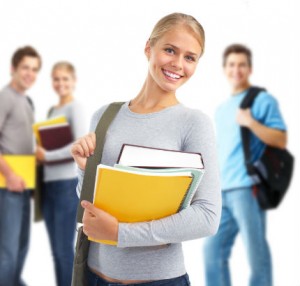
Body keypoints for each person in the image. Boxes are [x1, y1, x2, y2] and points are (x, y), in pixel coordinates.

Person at [71, 12, 221, 286]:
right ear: (148, 48)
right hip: (93, 276)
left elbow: (207, 217)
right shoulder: (105, 116)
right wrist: (84, 170)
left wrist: (121, 233)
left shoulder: (193, 124)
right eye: (170, 50)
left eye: (190, 57)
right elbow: (90, 204)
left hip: (159, 281)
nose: (177, 64)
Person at [203, 44, 287, 286]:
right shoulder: (221, 109)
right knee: (212, 252)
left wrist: (251, 123)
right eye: (231, 64)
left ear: (249, 68)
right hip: (222, 191)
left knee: (256, 255)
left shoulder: (261, 100)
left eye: (241, 64)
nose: (236, 69)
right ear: (224, 69)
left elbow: (280, 139)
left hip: (246, 189)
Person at [35, 62, 87, 286]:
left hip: (66, 185)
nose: (61, 83)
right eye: (56, 79)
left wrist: (46, 156)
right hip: (49, 185)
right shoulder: (53, 111)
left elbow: (77, 146)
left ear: (73, 81)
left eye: (65, 79)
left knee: (64, 249)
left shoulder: (75, 108)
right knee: (56, 251)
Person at [0, 46, 42, 286]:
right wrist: (11, 175)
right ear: (13, 69)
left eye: (34, 69)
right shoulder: (5, 97)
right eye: (25, 67)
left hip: (24, 184)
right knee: (7, 251)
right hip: (7, 185)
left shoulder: (26, 100)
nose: (29, 73)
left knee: (21, 247)